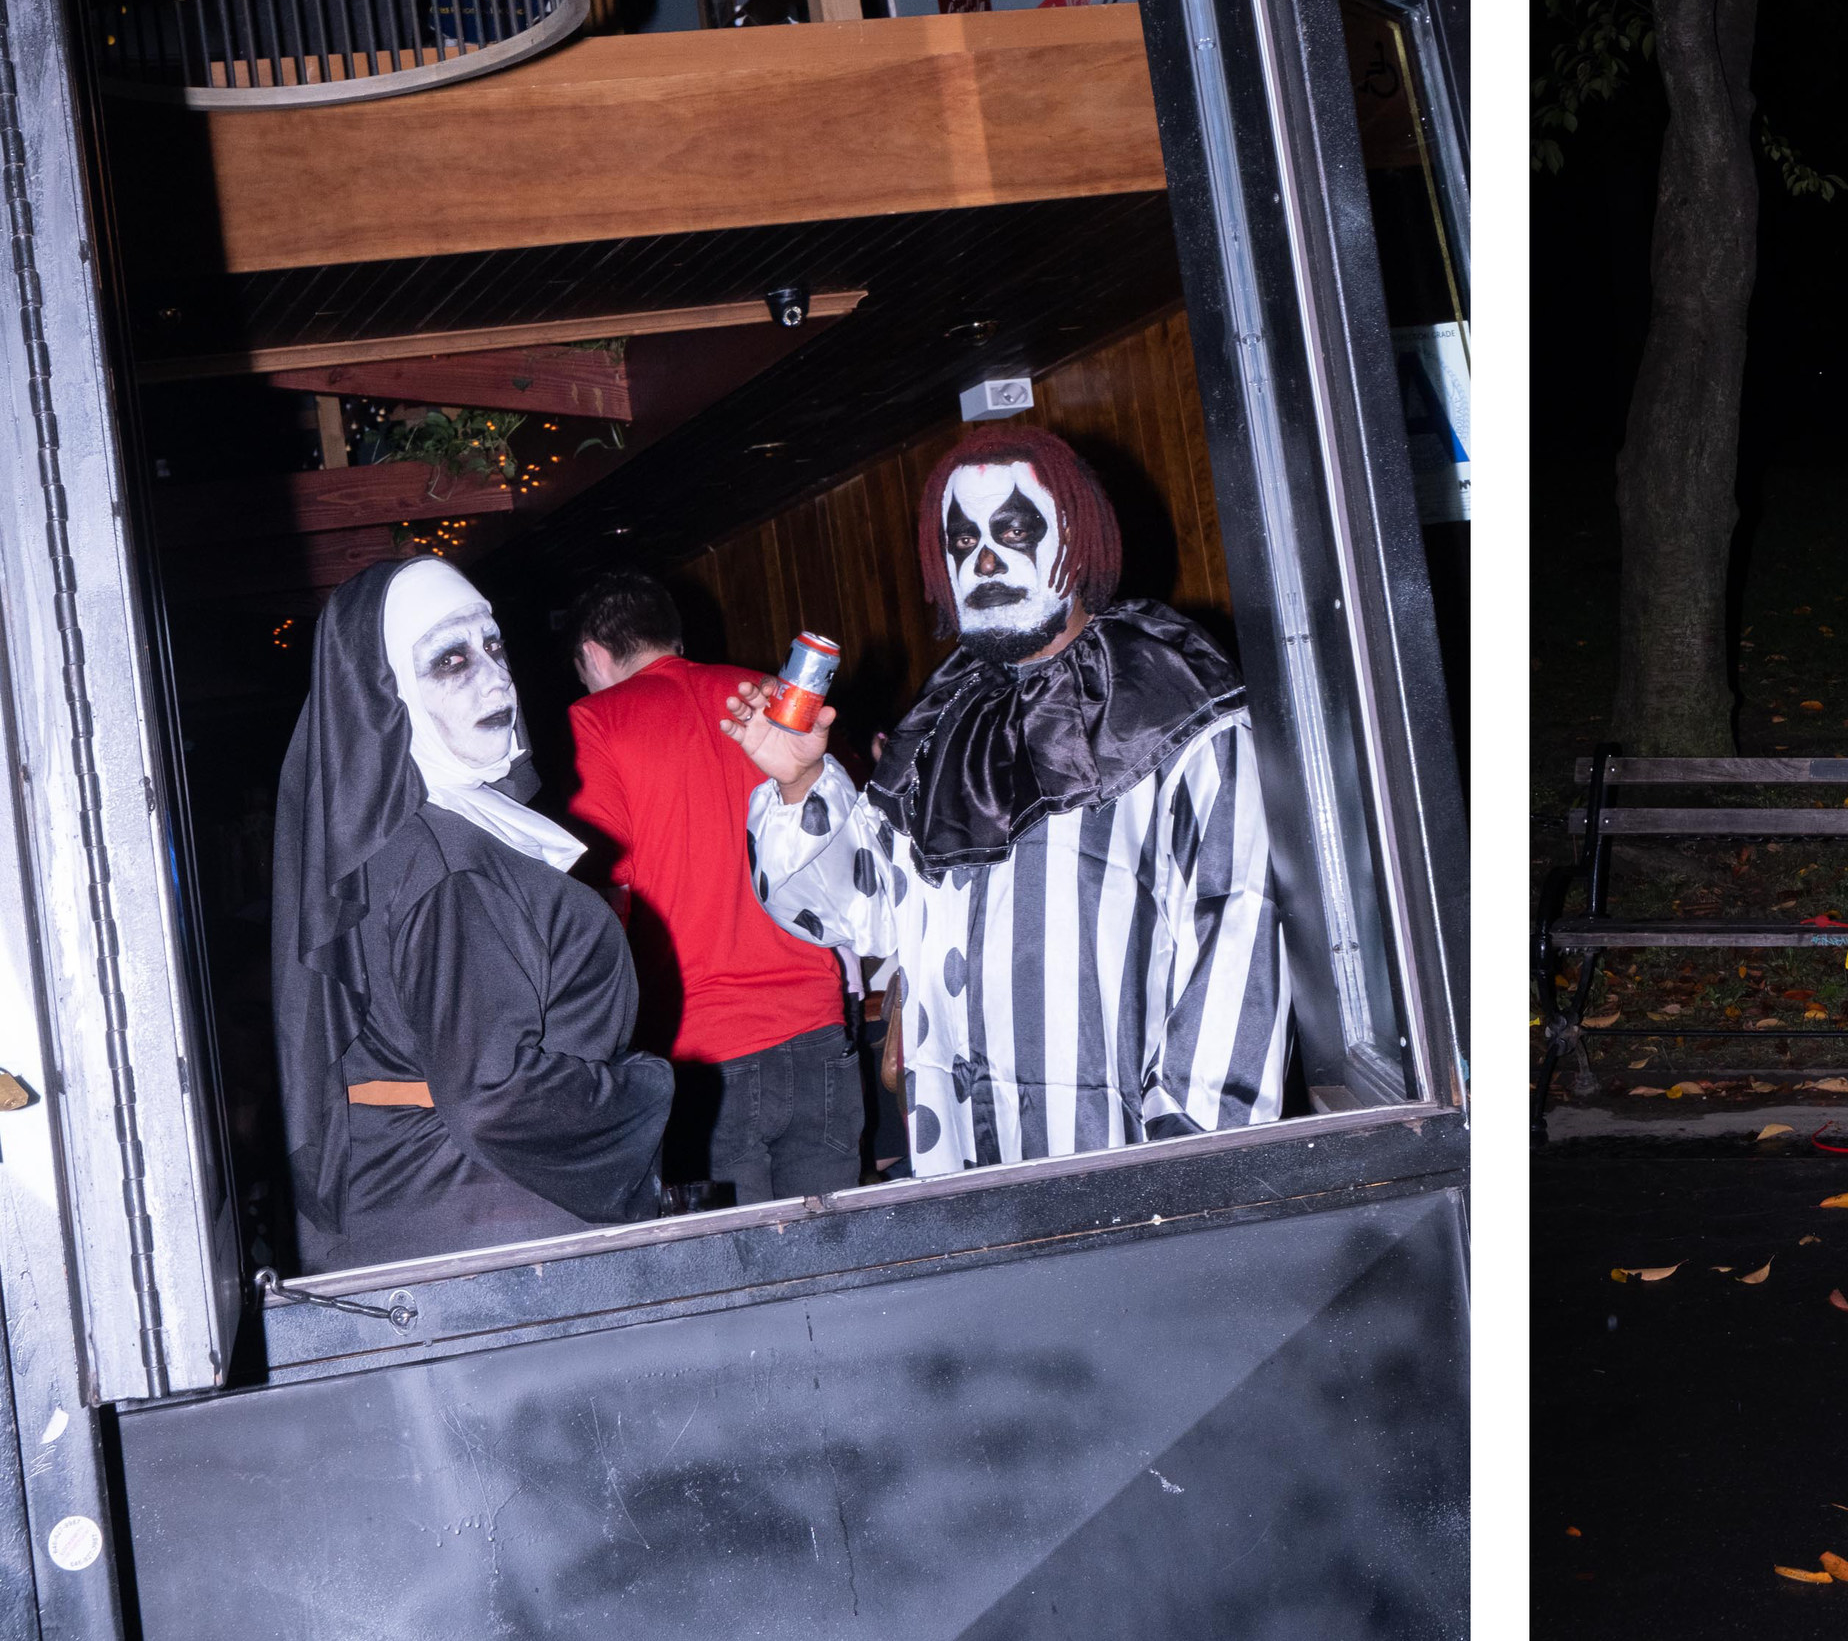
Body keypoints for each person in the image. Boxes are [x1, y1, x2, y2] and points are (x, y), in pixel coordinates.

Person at [721, 424, 1288, 1173]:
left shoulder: (1179, 707)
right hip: (959, 1162)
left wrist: (1194, 1171)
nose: (982, 558)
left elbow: (1239, 932)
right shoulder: (942, 720)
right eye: (961, 541)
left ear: (1076, 538)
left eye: (1013, 529)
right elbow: (861, 915)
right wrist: (797, 779)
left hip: (1126, 1173)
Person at [272, 557, 673, 1273]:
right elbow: (495, 1096)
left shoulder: (397, 840)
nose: (495, 677)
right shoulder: (446, 863)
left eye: (493, 647)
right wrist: (641, 1095)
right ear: (386, 692)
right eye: (451, 660)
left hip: (433, 1224)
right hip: (488, 1231)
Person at [566, 569, 861, 1204]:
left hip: (702, 1058)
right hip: (819, 1032)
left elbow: (595, 896)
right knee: (835, 1273)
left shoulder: (594, 720)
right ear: (671, 636)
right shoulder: (764, 698)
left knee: (738, 1288)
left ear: (592, 654)